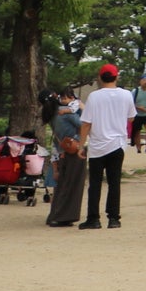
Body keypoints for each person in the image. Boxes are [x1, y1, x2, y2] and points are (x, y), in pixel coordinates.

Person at [77, 65, 136, 229]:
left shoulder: (94, 97)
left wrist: (81, 146)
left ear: (100, 77)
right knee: (114, 182)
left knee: (95, 183)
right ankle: (114, 218)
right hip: (117, 143)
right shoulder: (126, 95)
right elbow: (131, 118)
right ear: (116, 77)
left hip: (98, 145)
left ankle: (93, 218)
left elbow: (86, 124)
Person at [46, 87, 86, 227]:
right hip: (73, 151)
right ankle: (63, 216)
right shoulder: (66, 113)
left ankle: (54, 214)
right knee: (72, 185)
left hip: (61, 151)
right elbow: (84, 125)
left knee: (61, 185)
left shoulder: (51, 115)